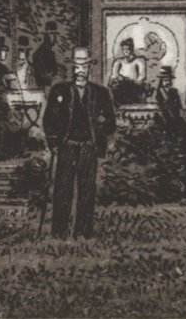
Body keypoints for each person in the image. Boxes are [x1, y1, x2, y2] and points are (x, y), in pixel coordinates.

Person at [42, 46, 116, 239]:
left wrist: (100, 128)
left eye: (84, 66)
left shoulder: (101, 93)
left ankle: (83, 233)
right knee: (63, 190)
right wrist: (54, 143)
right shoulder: (60, 90)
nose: (80, 70)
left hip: (88, 147)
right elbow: (49, 120)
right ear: (72, 68)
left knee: (87, 191)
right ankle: (59, 233)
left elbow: (111, 123)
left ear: (89, 68)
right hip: (67, 145)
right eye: (77, 66)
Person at [108, 38, 148, 104]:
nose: (126, 51)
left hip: (135, 88)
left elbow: (141, 77)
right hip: (121, 88)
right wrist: (116, 80)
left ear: (131, 49)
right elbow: (113, 76)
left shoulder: (139, 61)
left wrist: (129, 80)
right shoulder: (118, 62)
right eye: (124, 49)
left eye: (128, 49)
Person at [154, 66, 183, 131]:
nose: (167, 82)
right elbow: (157, 105)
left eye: (169, 80)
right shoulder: (158, 92)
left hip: (174, 118)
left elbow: (179, 104)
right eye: (165, 80)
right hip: (163, 118)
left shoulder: (174, 91)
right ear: (161, 81)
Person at [32, 22, 59, 90]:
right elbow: (45, 75)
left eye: (54, 34)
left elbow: (54, 72)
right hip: (44, 89)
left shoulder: (51, 53)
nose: (53, 37)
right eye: (51, 34)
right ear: (46, 35)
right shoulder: (40, 53)